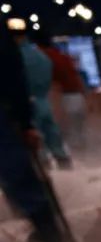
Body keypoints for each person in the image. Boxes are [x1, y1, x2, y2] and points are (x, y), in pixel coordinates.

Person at [0, 22, 73, 242]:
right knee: (28, 183)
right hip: (24, 110)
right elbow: (13, 75)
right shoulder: (41, 57)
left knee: (24, 184)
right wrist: (25, 121)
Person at [14, 27, 71, 169]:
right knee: (53, 135)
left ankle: (46, 172)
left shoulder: (17, 56)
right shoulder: (40, 55)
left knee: (37, 143)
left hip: (28, 104)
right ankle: (65, 165)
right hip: (44, 100)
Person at [34, 32, 88, 152]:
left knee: (67, 137)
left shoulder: (46, 58)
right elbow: (77, 78)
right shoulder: (63, 56)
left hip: (65, 99)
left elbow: (53, 85)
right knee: (78, 135)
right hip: (77, 98)